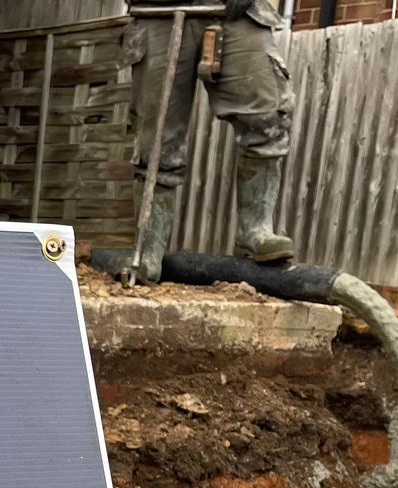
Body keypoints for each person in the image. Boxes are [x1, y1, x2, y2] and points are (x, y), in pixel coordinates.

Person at [126, 0, 295, 281]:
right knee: (155, 136)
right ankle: (148, 250)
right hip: (158, 10)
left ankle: (255, 231)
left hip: (238, 12)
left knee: (267, 113)